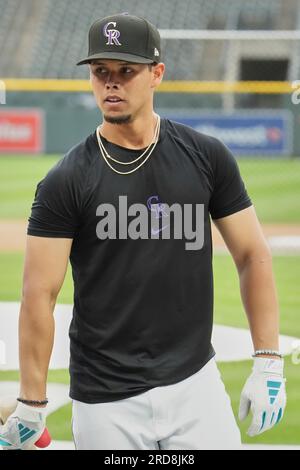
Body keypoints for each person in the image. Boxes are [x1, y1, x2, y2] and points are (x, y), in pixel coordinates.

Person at [0, 13, 286, 451]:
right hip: (105, 400)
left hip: (195, 385)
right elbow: (39, 293)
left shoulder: (205, 157)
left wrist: (268, 361)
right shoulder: (66, 180)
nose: (111, 83)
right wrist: (32, 401)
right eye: (101, 73)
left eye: (126, 71)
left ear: (157, 74)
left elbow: (252, 253)